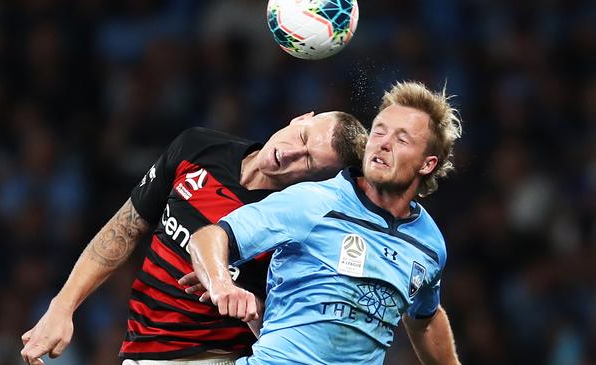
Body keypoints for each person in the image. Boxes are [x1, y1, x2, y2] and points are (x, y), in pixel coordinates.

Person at [20, 111, 368, 365]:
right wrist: (62, 308)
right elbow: (124, 228)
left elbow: (292, 344)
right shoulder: (198, 147)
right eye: (304, 138)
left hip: (212, 358)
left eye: (308, 162)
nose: (291, 153)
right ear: (300, 118)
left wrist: (249, 309)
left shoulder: (297, 228)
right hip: (139, 349)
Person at [189, 81, 463, 365]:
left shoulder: (429, 244)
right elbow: (210, 236)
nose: (383, 143)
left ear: (427, 164)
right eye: (379, 131)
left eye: (402, 140)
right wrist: (221, 283)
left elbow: (425, 320)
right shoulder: (312, 202)